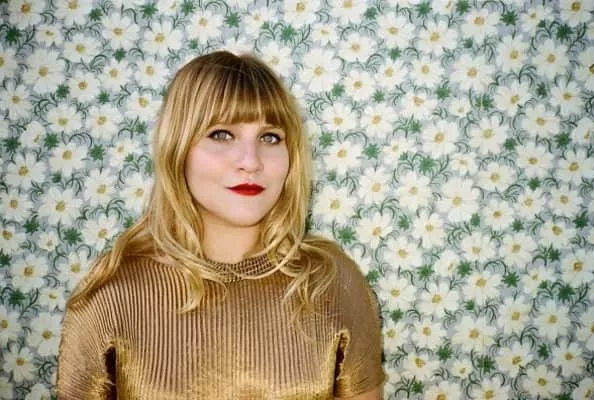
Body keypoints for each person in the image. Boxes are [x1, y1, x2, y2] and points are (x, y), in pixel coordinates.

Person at [57, 51, 384, 399]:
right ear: (177, 148)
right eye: (222, 134)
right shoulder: (111, 296)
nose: (251, 162)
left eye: (270, 137)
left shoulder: (333, 284)